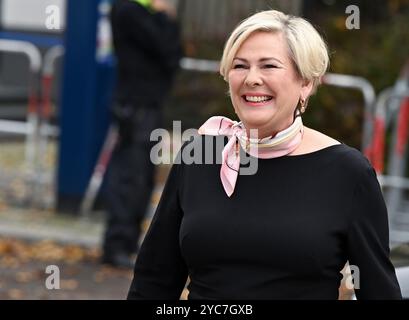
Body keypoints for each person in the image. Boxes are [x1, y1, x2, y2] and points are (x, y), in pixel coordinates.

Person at [127, 10, 402, 299]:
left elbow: (378, 291)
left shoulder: (348, 172)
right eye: (240, 66)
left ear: (306, 83)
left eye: (269, 66)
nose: (252, 79)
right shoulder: (200, 154)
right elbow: (153, 281)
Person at [101, 0, 183, 268]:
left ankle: (129, 241)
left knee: (143, 176)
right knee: (130, 175)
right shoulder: (130, 11)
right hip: (136, 107)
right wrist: (164, 17)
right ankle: (117, 243)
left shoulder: (139, 12)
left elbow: (173, 55)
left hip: (148, 106)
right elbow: (167, 50)